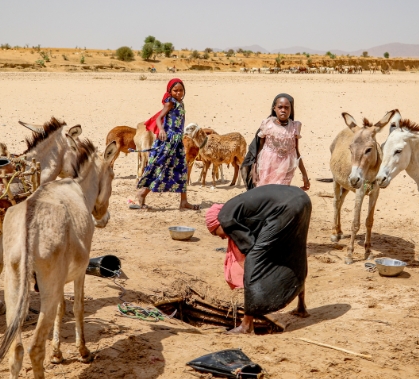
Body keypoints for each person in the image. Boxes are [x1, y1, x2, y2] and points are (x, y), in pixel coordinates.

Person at [205, 184, 312, 334]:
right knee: (294, 249)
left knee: (254, 259)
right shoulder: (237, 211)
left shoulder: (225, 218)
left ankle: (247, 325)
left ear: (217, 224)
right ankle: (301, 307)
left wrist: (251, 277)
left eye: (216, 233)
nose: (222, 237)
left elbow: (250, 252)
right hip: (301, 198)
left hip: (286, 207)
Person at [132, 78, 199, 210]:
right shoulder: (170, 103)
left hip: (177, 142)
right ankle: (142, 193)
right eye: (175, 90)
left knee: (182, 170)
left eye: (181, 90)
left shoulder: (181, 103)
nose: (178, 93)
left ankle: (183, 201)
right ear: (170, 91)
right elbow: (158, 118)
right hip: (167, 142)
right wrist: (161, 129)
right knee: (160, 168)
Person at [250, 94, 309, 190]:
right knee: (265, 192)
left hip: (286, 167)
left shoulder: (294, 127)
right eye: (280, 107)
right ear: (274, 108)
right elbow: (259, 150)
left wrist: (304, 175)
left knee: (280, 192)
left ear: (290, 110)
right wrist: (254, 171)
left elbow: (296, 152)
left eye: (287, 108)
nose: (283, 110)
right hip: (267, 165)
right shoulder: (268, 124)